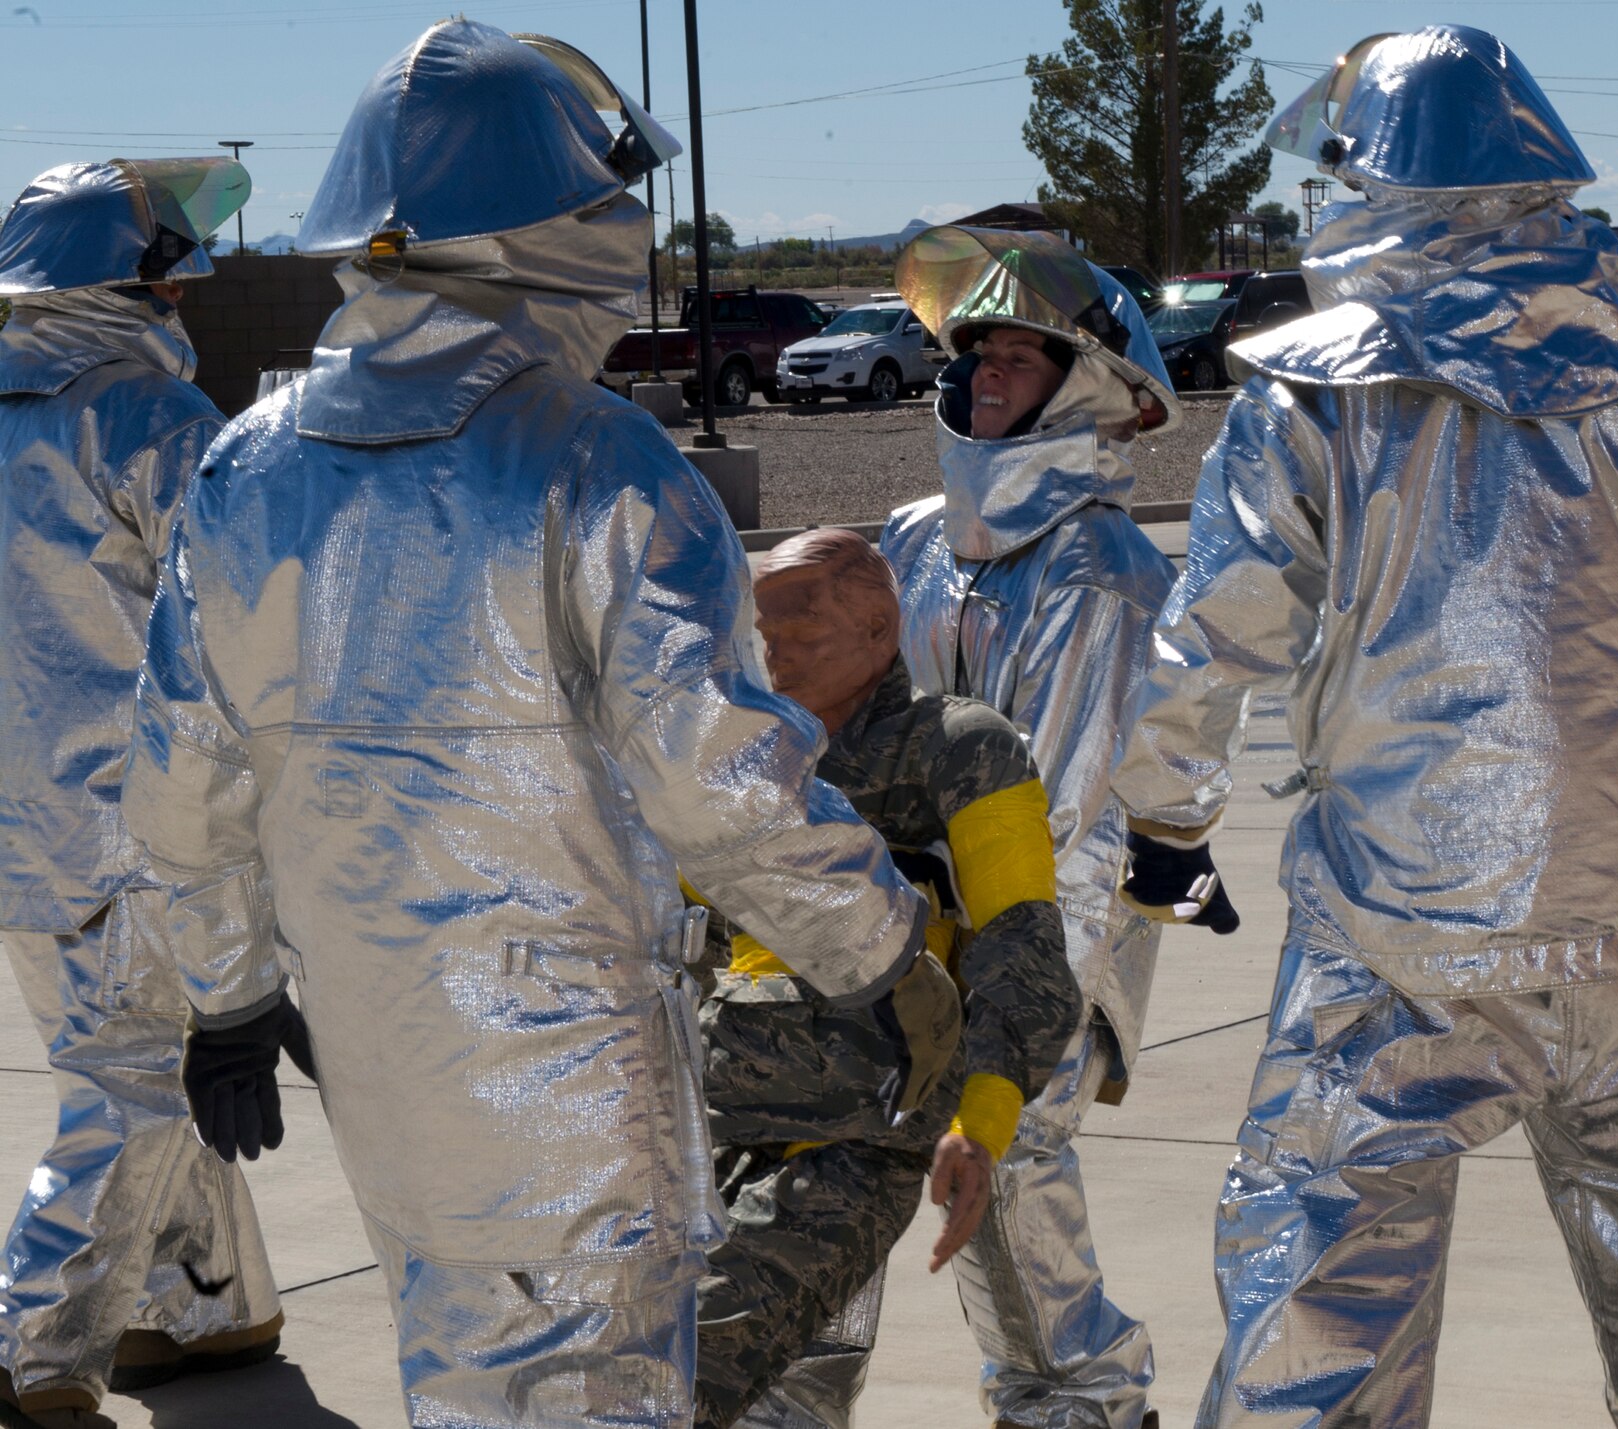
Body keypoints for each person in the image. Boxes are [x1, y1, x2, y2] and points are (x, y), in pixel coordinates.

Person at [121, 22, 948, 1429]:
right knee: (587, 1387)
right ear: (550, 228)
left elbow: (179, 778)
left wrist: (230, 992)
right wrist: (879, 950)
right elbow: (721, 779)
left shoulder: (244, 468)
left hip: (377, 1054)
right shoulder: (594, 460)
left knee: (462, 1365)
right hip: (565, 1061)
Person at [1110, 26, 1618, 1427]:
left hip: (1403, 927)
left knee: (1324, 1296)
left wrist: (1166, 825)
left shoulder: (1311, 394)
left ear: (1367, 178)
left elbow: (1211, 636)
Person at [861, 226, 1183, 1429]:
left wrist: (1007, 995)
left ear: (1088, 382)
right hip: (905, 923)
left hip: (1054, 926)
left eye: (1020, 350)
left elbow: (1068, 816)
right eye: (975, 346)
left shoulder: (1101, 574)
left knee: (1010, 1144)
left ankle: (1081, 1400)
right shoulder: (907, 542)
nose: (984, 367)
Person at [0, 156, 286, 1429]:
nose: (179, 296)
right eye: (167, 274)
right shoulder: (146, 422)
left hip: (23, 834)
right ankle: (29, 1340)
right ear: (125, 287)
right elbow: (244, 614)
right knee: (144, 1080)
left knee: (135, 1058)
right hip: (137, 823)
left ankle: (199, 1302)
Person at [693, 529, 1078, 1429]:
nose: (776, 653)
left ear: (879, 629)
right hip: (711, 1126)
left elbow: (1028, 955)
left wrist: (980, 1124)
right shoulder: (746, 766)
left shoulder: (959, 749)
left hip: (852, 1143)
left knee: (677, 1372)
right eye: (766, 631)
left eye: (805, 630)